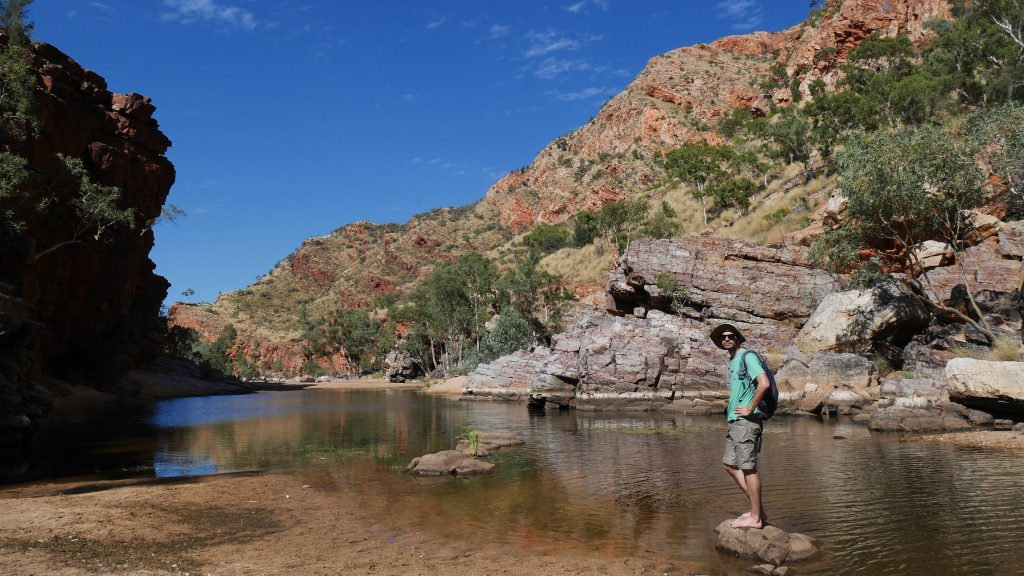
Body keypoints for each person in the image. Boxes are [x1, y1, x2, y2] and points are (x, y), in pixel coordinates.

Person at [710, 323, 771, 529]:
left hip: (746, 421)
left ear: (738, 338)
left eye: (731, 336)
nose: (726, 339)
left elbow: (764, 383)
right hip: (735, 422)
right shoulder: (734, 360)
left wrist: (749, 408)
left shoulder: (747, 357)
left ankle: (756, 517)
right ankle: (757, 510)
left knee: (748, 468)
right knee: (729, 464)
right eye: (723, 337)